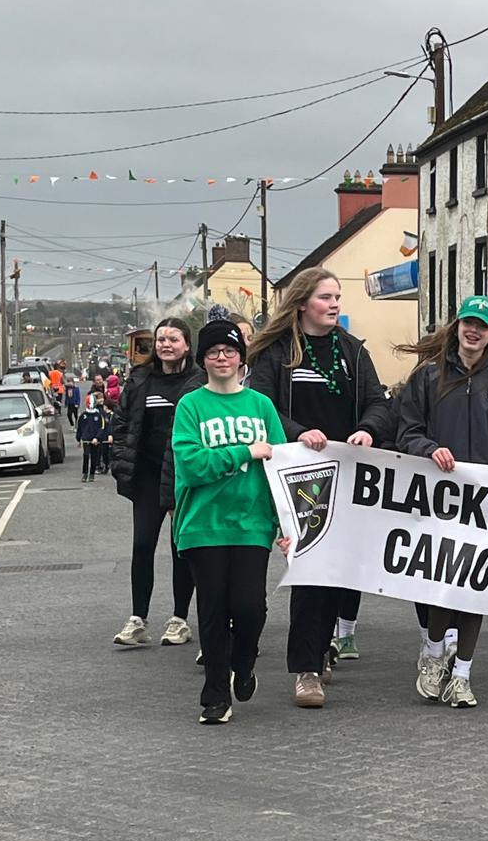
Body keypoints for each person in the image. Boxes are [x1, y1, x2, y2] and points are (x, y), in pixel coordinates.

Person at [247, 274, 393, 705]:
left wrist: (368, 429)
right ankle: (306, 669)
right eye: (325, 297)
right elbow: (261, 407)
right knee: (310, 568)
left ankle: (324, 645)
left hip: (345, 474)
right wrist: (297, 432)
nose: (334, 304)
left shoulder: (352, 351)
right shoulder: (277, 353)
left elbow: (378, 402)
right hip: (299, 476)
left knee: (339, 569)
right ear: (302, 303)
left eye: (337, 297)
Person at [397, 294, 488, 710]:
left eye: (482, 326)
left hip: (483, 501)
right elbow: (407, 431)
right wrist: (429, 448)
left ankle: (462, 676)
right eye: (468, 323)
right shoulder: (428, 376)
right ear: (457, 326)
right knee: (442, 582)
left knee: (475, 587)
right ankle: (434, 655)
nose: (474, 331)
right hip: (437, 496)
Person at [171, 317, 287, 725]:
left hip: (252, 523)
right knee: (214, 611)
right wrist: (244, 452)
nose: (222, 357)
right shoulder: (190, 406)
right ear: (202, 359)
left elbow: (281, 468)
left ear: (241, 358)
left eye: (230, 350)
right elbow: (191, 465)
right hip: (203, 524)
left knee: (250, 606)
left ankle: (244, 660)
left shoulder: (261, 406)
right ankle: (215, 695)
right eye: (213, 352)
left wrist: (287, 526)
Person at [109, 316, 204, 649]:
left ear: (187, 345)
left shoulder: (199, 382)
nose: (166, 345)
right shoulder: (140, 379)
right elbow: (122, 423)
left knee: (182, 549)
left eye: (173, 339)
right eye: (161, 339)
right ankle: (138, 619)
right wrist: (120, 460)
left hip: (182, 476)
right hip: (147, 477)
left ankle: (179, 619)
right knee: (142, 545)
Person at [76, 392, 108, 482]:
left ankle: (92, 473)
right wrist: (78, 438)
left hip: (95, 440)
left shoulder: (98, 415)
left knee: (94, 456)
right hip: (86, 439)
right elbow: (79, 427)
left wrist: (97, 438)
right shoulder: (83, 415)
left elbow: (102, 428)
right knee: (86, 455)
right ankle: (85, 473)